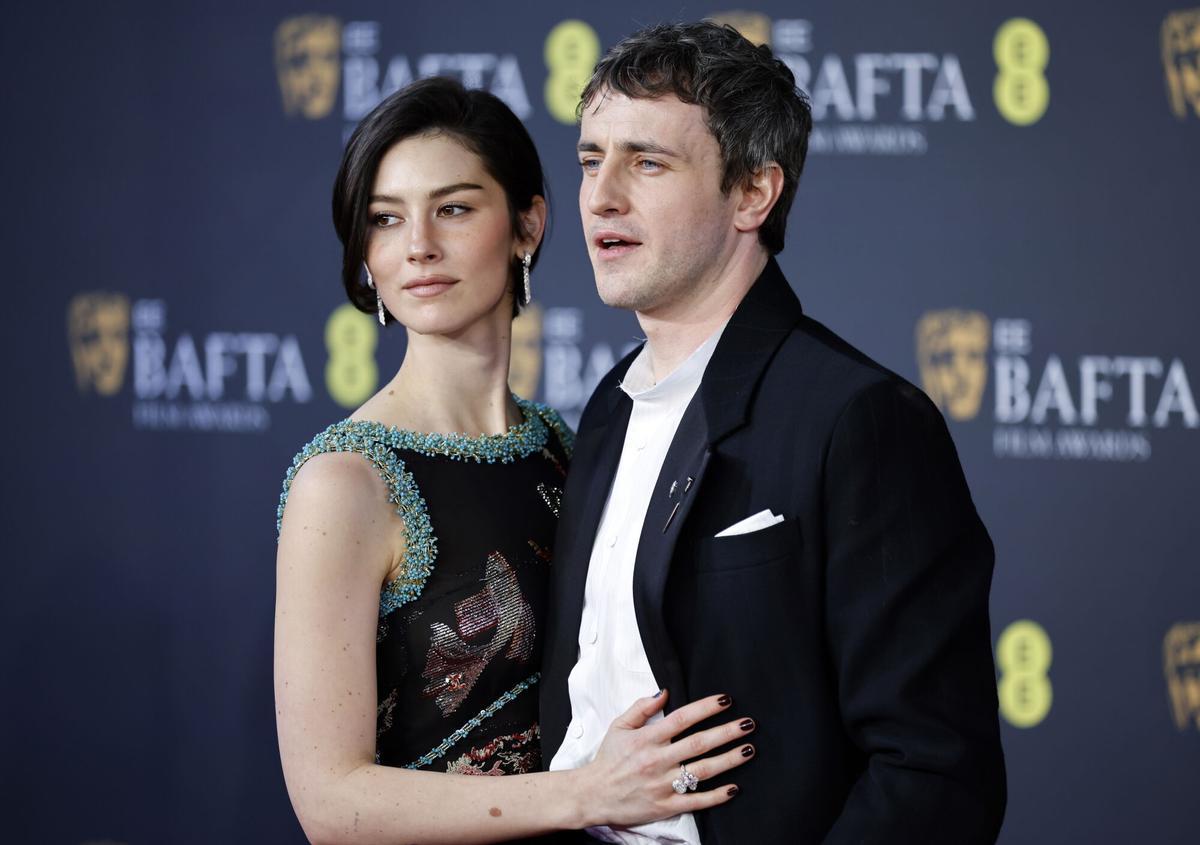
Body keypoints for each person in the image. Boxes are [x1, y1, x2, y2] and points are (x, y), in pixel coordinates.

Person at [540, 22, 1007, 844]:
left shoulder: (861, 418)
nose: (601, 196)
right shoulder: (610, 405)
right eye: (590, 160)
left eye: (647, 162)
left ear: (753, 193)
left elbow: (934, 774)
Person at [273, 77, 756, 844]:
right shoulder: (344, 483)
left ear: (528, 224)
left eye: (454, 209)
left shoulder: (566, 444)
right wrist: (586, 793)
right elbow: (332, 803)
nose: (418, 245)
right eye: (385, 218)